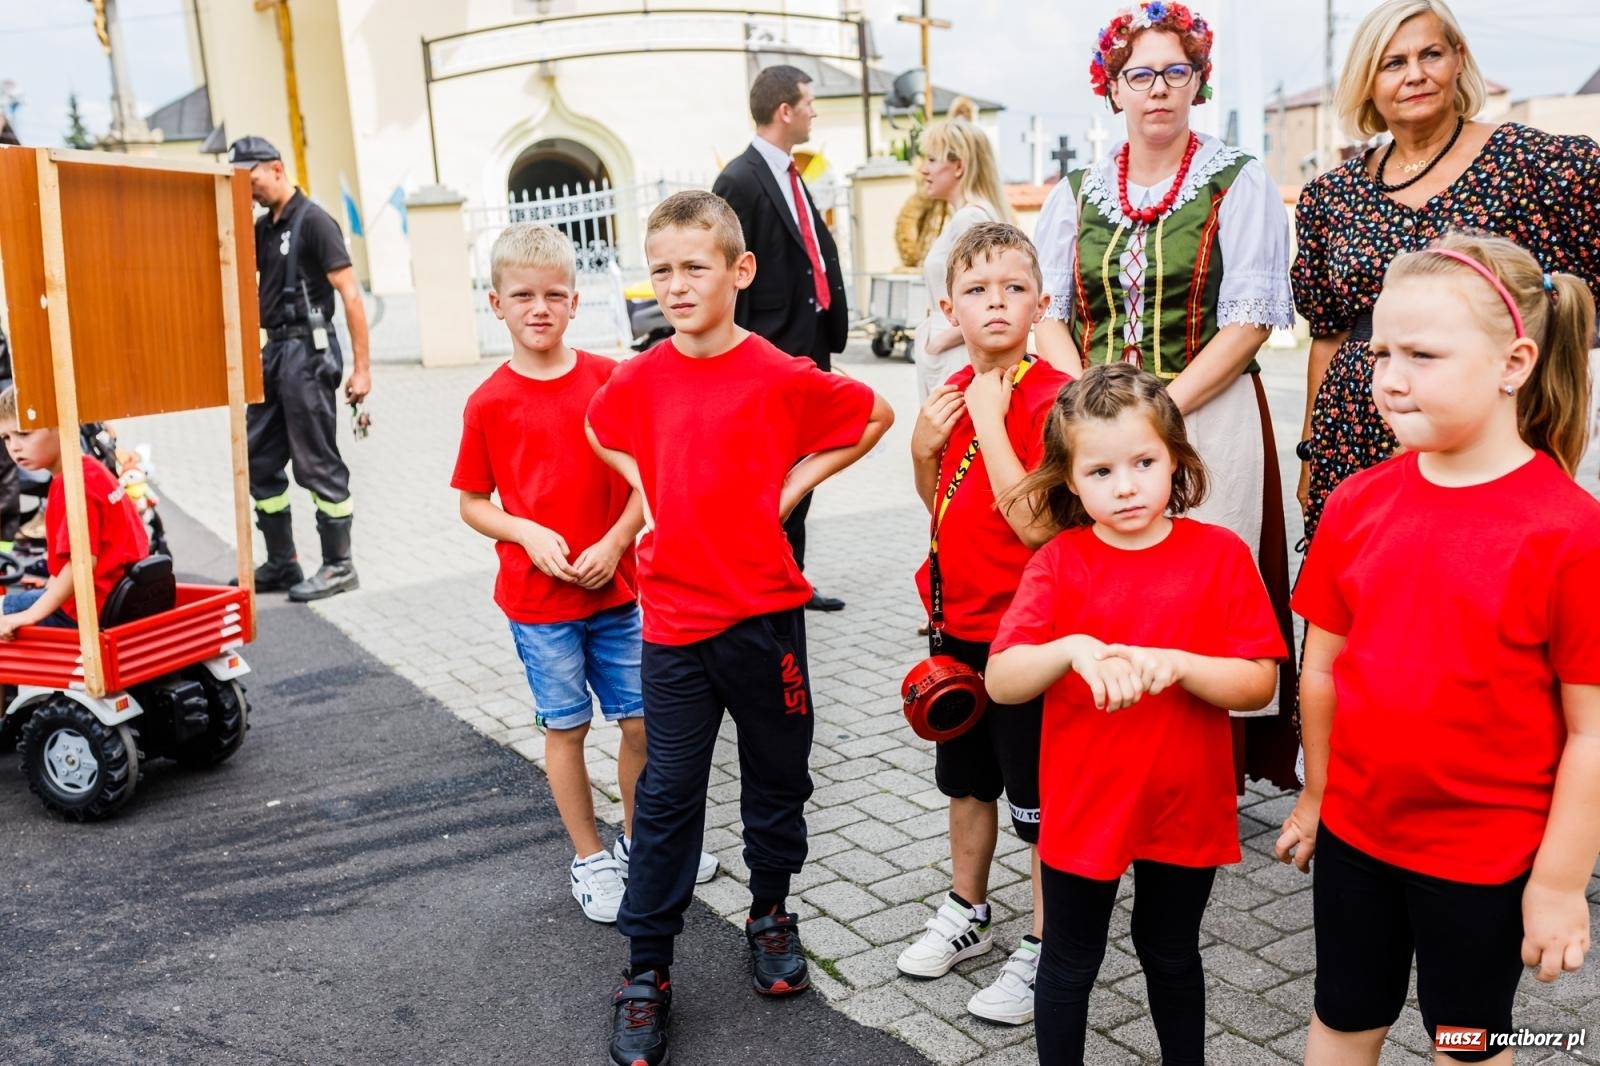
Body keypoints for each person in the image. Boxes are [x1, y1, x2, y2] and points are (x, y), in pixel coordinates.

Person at [1275, 234, 1600, 1065]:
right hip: (1356, 838)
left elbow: (1591, 733)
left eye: (1421, 353)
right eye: (1380, 350)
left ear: (1513, 362)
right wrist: (1315, 798)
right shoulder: (1354, 503)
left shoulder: (1569, 533)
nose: (1388, 375)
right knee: (1345, 1015)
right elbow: (1320, 672)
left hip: (1484, 860)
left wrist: (1560, 884)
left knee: (1465, 1038)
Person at [586, 190, 892, 1066]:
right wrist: (649, 483)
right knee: (669, 796)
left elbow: (872, 415)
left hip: (764, 621)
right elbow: (600, 427)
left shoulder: (778, 371)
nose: (676, 286)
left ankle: (770, 912)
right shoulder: (638, 378)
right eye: (661, 271)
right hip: (675, 625)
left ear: (739, 270)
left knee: (777, 777)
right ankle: (647, 971)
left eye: (693, 267)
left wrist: (791, 486)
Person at [1032, 0, 1299, 791]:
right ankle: (1113, 742)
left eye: (1174, 72)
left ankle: (1202, 766)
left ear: (1197, 83)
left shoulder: (1237, 178)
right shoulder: (1075, 190)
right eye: (1138, 74)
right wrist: (1086, 403)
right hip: (1100, 429)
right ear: (1112, 88)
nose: (1157, 89)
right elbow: (1049, 312)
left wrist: (1164, 408)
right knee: (1108, 574)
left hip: (1207, 417)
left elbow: (1249, 321)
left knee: (1200, 589)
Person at [986, 362, 1285, 1065]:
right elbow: (1002, 681)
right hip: (1085, 803)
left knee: (1172, 952)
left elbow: (1257, 683)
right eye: (1100, 471)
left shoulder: (1220, 556)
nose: (1125, 486)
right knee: (1068, 960)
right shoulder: (1060, 564)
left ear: (1175, 459)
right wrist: (1070, 649)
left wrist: (1180, 665)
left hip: (1185, 802)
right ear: (1068, 479)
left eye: (1144, 462)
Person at [451, 223, 717, 925]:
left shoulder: (610, 379)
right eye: (523, 296)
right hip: (538, 605)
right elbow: (474, 505)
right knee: (566, 728)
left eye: (554, 295)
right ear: (496, 303)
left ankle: (640, 839)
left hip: (617, 591)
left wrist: (617, 539)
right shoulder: (487, 402)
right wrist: (525, 529)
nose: (539, 308)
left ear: (575, 302)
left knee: (640, 725)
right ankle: (589, 856)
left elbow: (645, 480)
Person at [1292, 0, 1600, 545]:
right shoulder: (1329, 194)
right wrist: (1312, 452)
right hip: (1354, 431)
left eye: (1430, 54)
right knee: (1362, 602)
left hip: (1485, 425)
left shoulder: (1533, 164)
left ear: (1458, 59)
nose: (1415, 74)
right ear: (1367, 79)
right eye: (1392, 63)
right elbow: (1327, 334)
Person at [896, 222, 1070, 1026]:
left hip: (1027, 639)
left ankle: (1044, 943)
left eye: (1012, 288)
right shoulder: (956, 390)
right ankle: (968, 909)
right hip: (957, 630)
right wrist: (923, 449)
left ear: (1041, 302)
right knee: (967, 784)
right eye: (976, 290)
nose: (994, 302)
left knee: (1038, 805)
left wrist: (993, 420)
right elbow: (939, 503)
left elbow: (1036, 527)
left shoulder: (1055, 399)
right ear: (949, 309)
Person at [712, 64, 852, 612]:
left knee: (802, 466)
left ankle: (791, 577)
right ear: (785, 111)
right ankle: (763, 581)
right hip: (768, 348)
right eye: (809, 103)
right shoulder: (740, 179)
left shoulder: (793, 174)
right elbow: (726, 272)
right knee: (768, 470)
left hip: (809, 344)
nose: (815, 111)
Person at [228, 136, 372, 602]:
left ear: (275, 168)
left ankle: (339, 565)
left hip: (308, 354)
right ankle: (282, 562)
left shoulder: (315, 222)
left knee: (316, 460)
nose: (249, 191)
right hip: (272, 355)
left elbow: (351, 295)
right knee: (258, 459)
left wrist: (362, 369)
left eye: (251, 181)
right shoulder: (264, 228)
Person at [0, 385, 149, 638]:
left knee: (7, 610)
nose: (14, 447)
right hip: (115, 599)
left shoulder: (70, 483)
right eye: (6, 438)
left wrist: (29, 615)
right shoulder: (93, 470)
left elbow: (81, 563)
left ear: (60, 425)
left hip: (85, 610)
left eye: (24, 434)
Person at [912, 118, 1016, 401]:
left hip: (954, 355)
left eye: (932, 160)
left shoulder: (969, 218)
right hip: (951, 351)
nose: (924, 169)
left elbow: (988, 298)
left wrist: (939, 342)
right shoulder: (971, 215)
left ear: (958, 166)